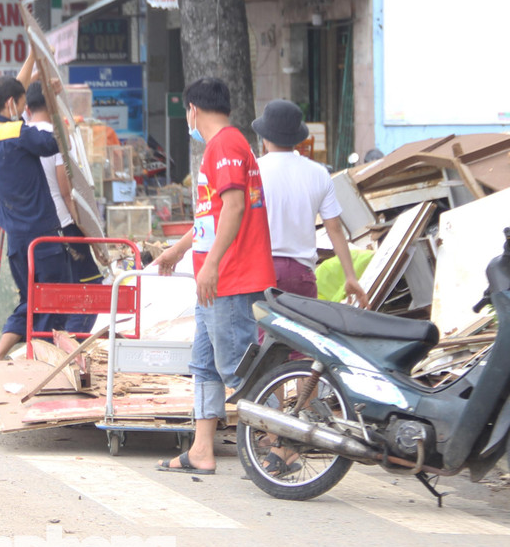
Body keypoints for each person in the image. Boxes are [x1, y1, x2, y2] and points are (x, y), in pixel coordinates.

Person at [150, 77, 272, 475]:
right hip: (216, 277)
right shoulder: (225, 146)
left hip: (230, 278)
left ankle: (282, 443)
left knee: (237, 367)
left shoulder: (224, 145)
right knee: (204, 364)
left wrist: (213, 265)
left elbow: (234, 208)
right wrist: (180, 249)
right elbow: (212, 215)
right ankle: (201, 450)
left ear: (192, 110)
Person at [0, 50, 75, 360]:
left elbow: (11, 95)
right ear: (11, 105)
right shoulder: (20, 134)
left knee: (29, 299)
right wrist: (57, 110)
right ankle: (38, 361)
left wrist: (32, 66)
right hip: (41, 233)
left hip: (15, 236)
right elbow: (52, 142)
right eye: (21, 105)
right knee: (52, 301)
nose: (24, 111)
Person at [253, 99, 367, 306]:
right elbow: (335, 228)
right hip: (301, 274)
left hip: (262, 271)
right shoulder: (319, 173)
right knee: (302, 336)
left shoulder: (253, 171)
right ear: (297, 138)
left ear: (265, 138)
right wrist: (350, 276)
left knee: (265, 336)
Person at [23, 80, 102, 333]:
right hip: (63, 225)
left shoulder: (21, 134)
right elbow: (67, 192)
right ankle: (71, 344)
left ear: (27, 107)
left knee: (45, 294)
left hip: (31, 228)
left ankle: (52, 343)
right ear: (54, 103)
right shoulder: (55, 137)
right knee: (90, 288)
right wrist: (90, 234)